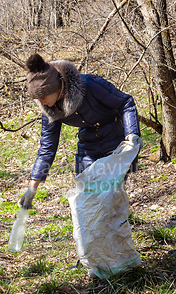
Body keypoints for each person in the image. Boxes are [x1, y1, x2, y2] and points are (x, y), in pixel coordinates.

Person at [19, 53, 142, 209]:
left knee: (110, 195)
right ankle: (93, 233)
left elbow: (126, 102)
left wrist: (132, 135)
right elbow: (47, 148)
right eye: (37, 99)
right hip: (88, 144)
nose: (41, 103)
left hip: (116, 139)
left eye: (43, 97)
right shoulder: (49, 109)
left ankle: (116, 230)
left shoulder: (90, 85)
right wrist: (32, 187)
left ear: (56, 87)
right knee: (85, 197)